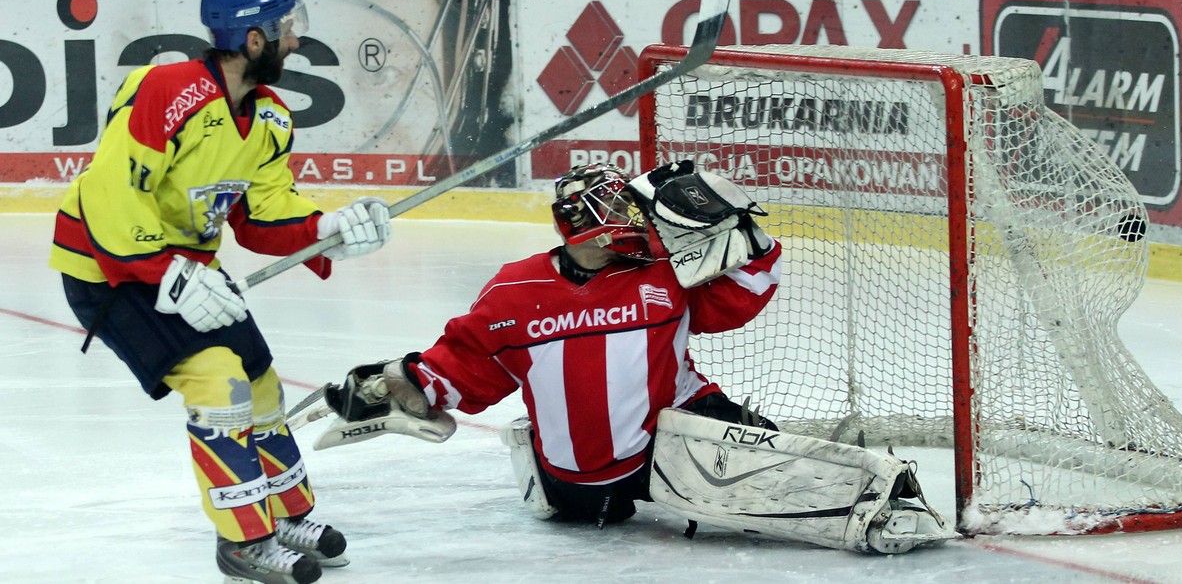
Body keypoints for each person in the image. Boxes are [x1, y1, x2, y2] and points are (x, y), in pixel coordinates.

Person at [302, 162, 956, 553]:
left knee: (769, 463)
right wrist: (396, 386)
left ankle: (880, 504)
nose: (634, 217)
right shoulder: (514, 291)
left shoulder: (666, 269)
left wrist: (739, 228)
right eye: (616, 208)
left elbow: (748, 291)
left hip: (677, 431)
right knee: (592, 506)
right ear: (581, 223)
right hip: (579, 482)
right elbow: (461, 369)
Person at [49, 0, 393, 584]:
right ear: (254, 38)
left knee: (262, 386)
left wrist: (325, 230)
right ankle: (242, 541)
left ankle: (285, 514)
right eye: (287, 29)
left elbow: (262, 218)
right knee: (220, 386)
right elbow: (108, 196)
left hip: (190, 273)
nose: (296, 41)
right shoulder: (165, 91)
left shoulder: (269, 117)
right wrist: (165, 274)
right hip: (110, 272)